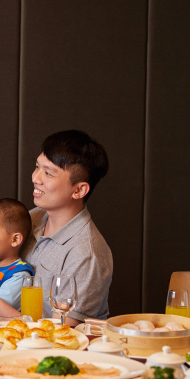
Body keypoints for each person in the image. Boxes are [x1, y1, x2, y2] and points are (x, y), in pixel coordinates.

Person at [20, 130, 112, 325]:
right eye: (37, 167)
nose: (35, 178)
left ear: (79, 190)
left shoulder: (86, 253)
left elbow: (61, 331)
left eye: (48, 173)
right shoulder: (30, 218)